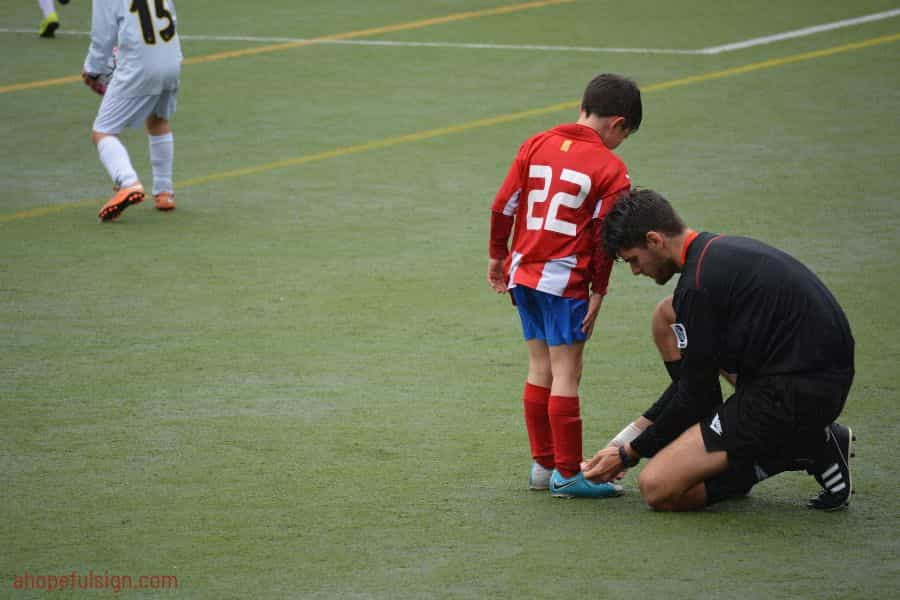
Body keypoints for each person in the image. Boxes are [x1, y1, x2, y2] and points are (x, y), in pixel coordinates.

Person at [582, 189, 856, 511]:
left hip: (795, 393)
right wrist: (622, 443)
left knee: (658, 488)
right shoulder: (712, 254)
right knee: (666, 316)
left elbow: (698, 397)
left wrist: (630, 453)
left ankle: (802, 447)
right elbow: (692, 386)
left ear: (655, 240)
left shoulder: (697, 289)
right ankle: (757, 441)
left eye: (633, 260)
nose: (636, 271)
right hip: (813, 375)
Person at [487, 73, 642, 498]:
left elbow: (504, 205)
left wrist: (498, 256)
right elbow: (602, 238)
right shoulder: (611, 168)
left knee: (540, 368)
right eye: (623, 136)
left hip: (524, 272)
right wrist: (599, 291)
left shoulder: (535, 143)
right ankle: (569, 474)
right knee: (567, 372)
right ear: (618, 123)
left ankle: (543, 466)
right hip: (565, 279)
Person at [82, 0, 182, 222]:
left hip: (139, 65)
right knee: (158, 119)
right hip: (171, 59)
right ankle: (164, 192)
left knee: (103, 131)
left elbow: (103, 35)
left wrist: (93, 69)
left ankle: (128, 182)